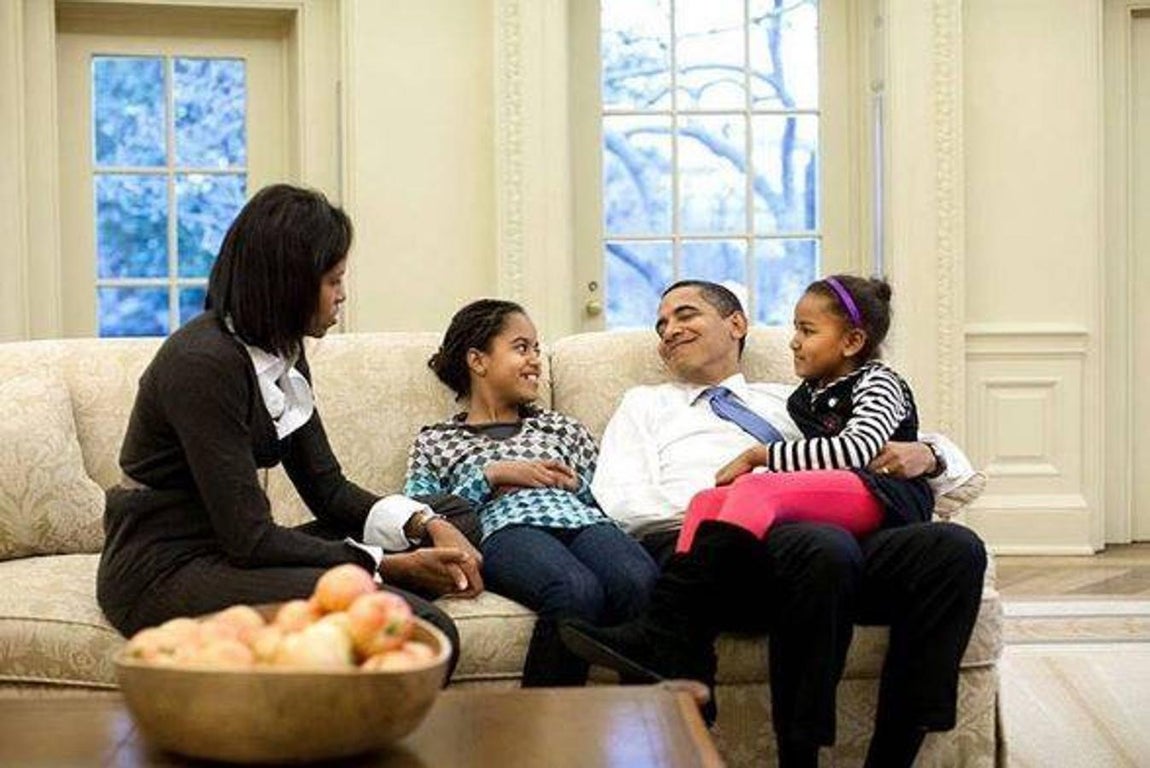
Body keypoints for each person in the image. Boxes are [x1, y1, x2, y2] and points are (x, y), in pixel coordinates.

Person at [561, 280, 987, 768]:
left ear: (736, 324)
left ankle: (893, 756)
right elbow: (623, 502)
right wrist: (738, 504)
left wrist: (929, 455)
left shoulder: (797, 399)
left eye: (685, 315)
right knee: (819, 544)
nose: (669, 331)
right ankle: (798, 756)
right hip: (722, 556)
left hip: (836, 547)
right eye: (661, 325)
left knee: (955, 549)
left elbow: (904, 459)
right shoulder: (645, 404)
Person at [96, 184, 480, 675]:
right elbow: (250, 539)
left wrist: (425, 525)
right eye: (333, 280)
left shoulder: (283, 353)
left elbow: (328, 490)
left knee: (455, 516)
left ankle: (383, 576)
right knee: (426, 629)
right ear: (289, 284)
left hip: (233, 549)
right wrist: (380, 563)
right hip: (167, 569)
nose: (343, 295)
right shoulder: (202, 364)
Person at [404, 299, 659, 686]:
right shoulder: (437, 440)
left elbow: (609, 497)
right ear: (478, 361)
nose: (535, 360)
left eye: (537, 349)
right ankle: (541, 734)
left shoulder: (562, 428)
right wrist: (490, 476)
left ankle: (652, 728)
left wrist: (576, 485)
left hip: (583, 519)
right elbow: (420, 513)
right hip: (505, 529)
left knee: (640, 581)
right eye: (522, 348)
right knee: (576, 589)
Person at [674, 274, 928, 552]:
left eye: (807, 331)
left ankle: (711, 579)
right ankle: (682, 592)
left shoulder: (879, 382)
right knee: (707, 501)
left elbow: (856, 449)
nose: (794, 342)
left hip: (885, 495)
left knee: (756, 489)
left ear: (852, 341)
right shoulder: (804, 398)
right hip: (839, 491)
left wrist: (759, 455)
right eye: (796, 330)